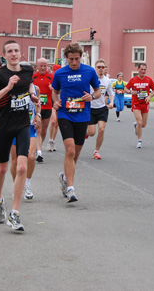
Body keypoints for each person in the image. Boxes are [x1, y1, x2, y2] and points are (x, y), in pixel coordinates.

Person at [0, 42, 39, 231]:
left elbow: (29, 85)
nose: (14, 54)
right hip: (5, 126)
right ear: (4, 55)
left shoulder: (27, 70)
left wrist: (32, 96)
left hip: (23, 124)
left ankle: (15, 213)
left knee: (22, 167)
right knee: (2, 168)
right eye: (10, 51)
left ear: (21, 52)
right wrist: (8, 88)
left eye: (16, 50)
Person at [52, 43, 101, 203]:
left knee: (76, 154)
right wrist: (56, 102)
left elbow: (98, 91)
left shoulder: (89, 71)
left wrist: (92, 97)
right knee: (70, 150)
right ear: (66, 58)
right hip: (65, 115)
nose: (74, 62)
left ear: (81, 57)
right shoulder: (60, 73)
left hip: (83, 116)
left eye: (77, 59)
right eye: (71, 59)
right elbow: (55, 92)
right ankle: (71, 189)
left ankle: (65, 177)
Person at [10, 84, 41, 201]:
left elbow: (38, 105)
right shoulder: (12, 86)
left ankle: (27, 183)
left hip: (30, 127)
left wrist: (38, 115)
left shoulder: (35, 88)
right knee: (15, 160)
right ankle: (16, 185)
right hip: (13, 127)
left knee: (31, 157)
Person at [87, 59, 114, 159]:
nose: (101, 69)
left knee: (101, 129)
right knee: (92, 133)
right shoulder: (90, 79)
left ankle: (96, 151)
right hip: (90, 108)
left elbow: (111, 93)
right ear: (95, 68)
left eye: (103, 67)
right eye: (99, 67)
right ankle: (86, 132)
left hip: (102, 108)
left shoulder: (107, 81)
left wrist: (111, 102)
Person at [126, 63, 154, 149]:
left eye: (144, 69)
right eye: (141, 69)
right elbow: (126, 88)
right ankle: (139, 141)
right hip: (136, 104)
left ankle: (137, 126)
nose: (143, 71)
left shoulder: (149, 80)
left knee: (143, 124)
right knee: (140, 121)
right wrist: (129, 92)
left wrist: (150, 96)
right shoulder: (133, 80)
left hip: (145, 104)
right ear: (138, 69)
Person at [32, 58, 54, 162]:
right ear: (37, 66)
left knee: (44, 130)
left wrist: (53, 89)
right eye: (41, 66)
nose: (43, 68)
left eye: (45, 66)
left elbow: (57, 90)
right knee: (38, 129)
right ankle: (38, 150)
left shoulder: (51, 77)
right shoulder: (33, 77)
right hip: (36, 107)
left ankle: (38, 146)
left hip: (48, 106)